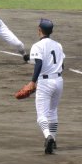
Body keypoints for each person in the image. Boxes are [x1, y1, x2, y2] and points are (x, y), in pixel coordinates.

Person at [28, 18, 65, 154]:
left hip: (45, 83)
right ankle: (53, 139)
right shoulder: (58, 45)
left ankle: (47, 136)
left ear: (39, 30)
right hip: (59, 80)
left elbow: (38, 64)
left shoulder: (37, 46)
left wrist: (33, 81)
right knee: (53, 111)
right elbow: (62, 65)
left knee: (41, 115)